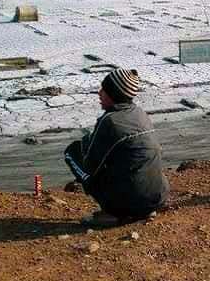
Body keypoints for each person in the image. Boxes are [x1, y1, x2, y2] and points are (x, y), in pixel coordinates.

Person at [65, 68, 169, 225]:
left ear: (113, 95)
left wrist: (87, 143)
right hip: (158, 197)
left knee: (71, 152)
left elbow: (90, 166)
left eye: (104, 90)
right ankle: (142, 208)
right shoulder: (139, 113)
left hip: (129, 204)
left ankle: (114, 212)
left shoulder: (110, 120)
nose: (99, 93)